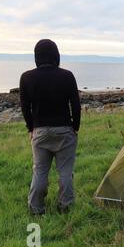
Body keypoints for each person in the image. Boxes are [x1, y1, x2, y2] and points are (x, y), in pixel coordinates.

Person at [19, 39, 81, 215]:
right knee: (65, 172)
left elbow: (25, 108)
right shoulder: (67, 76)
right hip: (65, 130)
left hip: (40, 131)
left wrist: (31, 128)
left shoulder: (26, 77)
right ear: (56, 55)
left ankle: (36, 209)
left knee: (40, 171)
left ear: (36, 56)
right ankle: (65, 207)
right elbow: (75, 105)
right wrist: (75, 127)